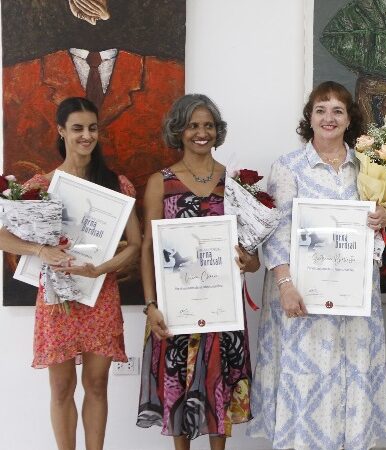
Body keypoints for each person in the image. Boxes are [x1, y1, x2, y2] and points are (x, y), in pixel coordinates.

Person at [247, 81, 386, 450]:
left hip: (355, 298)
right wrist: (285, 285)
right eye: (320, 110)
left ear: (349, 119)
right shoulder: (288, 167)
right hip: (301, 295)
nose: (328, 118)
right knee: (307, 378)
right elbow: (277, 233)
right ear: (310, 117)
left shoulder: (369, 166)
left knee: (352, 372)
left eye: (337, 111)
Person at [0, 96, 141, 450]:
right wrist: (40, 250)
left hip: (99, 293)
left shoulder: (117, 185)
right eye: (77, 128)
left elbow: (136, 245)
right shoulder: (41, 186)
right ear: (61, 131)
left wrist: (100, 269)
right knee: (61, 387)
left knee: (97, 384)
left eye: (92, 128)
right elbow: (3, 235)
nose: (86, 136)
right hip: (55, 298)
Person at [136, 94, 260, 450]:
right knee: (177, 383)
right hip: (176, 307)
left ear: (217, 131)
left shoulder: (235, 182)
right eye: (193, 125)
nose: (201, 133)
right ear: (179, 130)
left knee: (220, 385)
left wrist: (249, 262)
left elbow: (253, 257)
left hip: (223, 307)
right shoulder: (160, 182)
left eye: (208, 125)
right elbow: (148, 248)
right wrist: (150, 305)